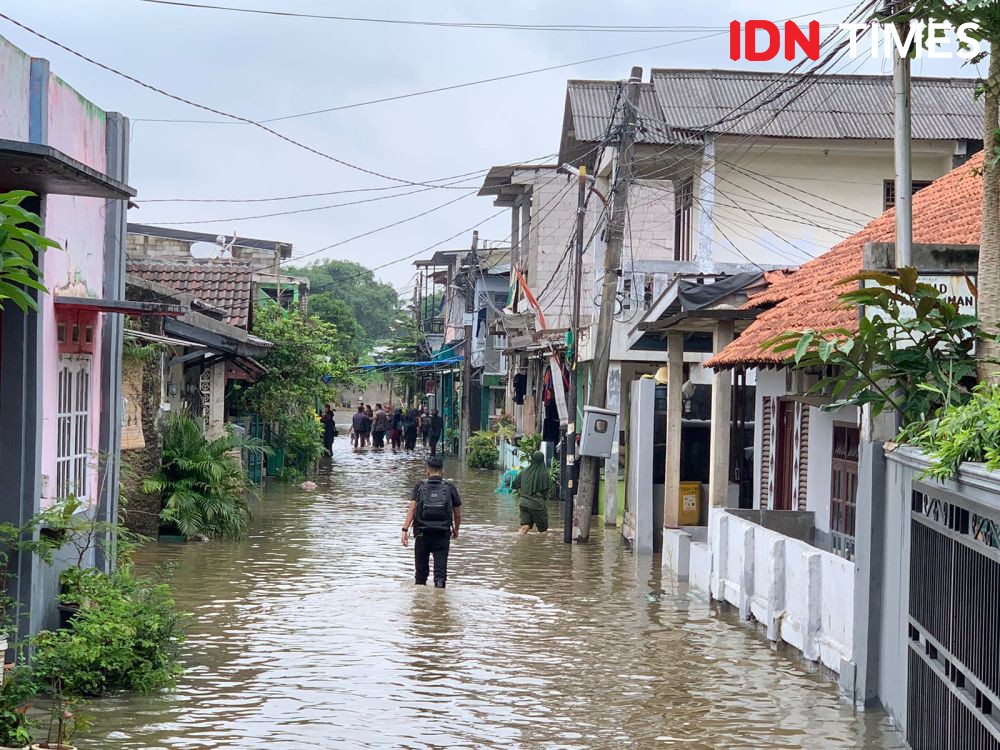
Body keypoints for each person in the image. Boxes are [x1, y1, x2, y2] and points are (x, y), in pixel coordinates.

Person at [402, 456, 461, 588]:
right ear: (442, 471)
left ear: (427, 471)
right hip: (442, 534)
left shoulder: (419, 486)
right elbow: (457, 513)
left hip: (422, 534)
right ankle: (440, 601)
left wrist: (405, 530)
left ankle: (419, 604)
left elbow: (412, 509)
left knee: (420, 575)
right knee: (440, 575)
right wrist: (456, 529)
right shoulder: (450, 487)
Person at [513, 451, 551, 534]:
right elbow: (545, 492)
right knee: (543, 530)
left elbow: (515, 484)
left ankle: (519, 542)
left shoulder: (524, 471)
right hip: (537, 505)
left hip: (523, 503)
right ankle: (539, 546)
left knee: (525, 527)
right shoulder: (544, 474)